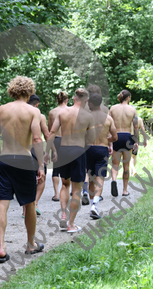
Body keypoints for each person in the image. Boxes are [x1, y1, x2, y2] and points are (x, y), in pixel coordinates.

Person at [0, 76, 45, 263]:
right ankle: (31, 244)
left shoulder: (2, 109)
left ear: (12, 90)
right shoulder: (32, 111)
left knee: (2, 204)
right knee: (29, 203)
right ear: (29, 91)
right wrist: (40, 165)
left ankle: (1, 247)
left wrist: (0, 156)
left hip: (5, 160)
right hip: (24, 160)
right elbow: (37, 139)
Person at [45, 88, 95, 233]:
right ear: (86, 100)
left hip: (63, 151)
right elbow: (91, 140)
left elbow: (52, 132)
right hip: (78, 151)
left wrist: (48, 152)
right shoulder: (88, 116)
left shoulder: (62, 112)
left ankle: (63, 214)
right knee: (77, 190)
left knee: (64, 185)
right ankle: (71, 224)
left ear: (73, 98)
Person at [22, 94, 56, 217]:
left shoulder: (20, 114)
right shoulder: (40, 116)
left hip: (21, 150)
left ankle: (25, 209)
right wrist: (52, 150)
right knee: (41, 178)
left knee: (25, 179)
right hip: (35, 150)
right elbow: (47, 135)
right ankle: (35, 204)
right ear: (37, 104)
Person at [86, 93, 117, 219]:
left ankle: (91, 201)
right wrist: (105, 138)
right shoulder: (108, 118)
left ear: (91, 104)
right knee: (100, 177)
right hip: (102, 149)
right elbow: (115, 137)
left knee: (91, 177)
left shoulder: (85, 117)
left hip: (88, 149)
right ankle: (94, 205)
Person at [82, 84, 110, 204]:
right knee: (99, 174)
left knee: (86, 170)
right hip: (102, 144)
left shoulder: (84, 108)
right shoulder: (104, 109)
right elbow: (109, 128)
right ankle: (96, 197)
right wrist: (111, 145)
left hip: (87, 144)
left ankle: (85, 190)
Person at [109, 89, 139, 197]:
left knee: (115, 164)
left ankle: (113, 180)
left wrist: (109, 141)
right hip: (127, 137)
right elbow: (136, 127)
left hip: (116, 136)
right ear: (128, 98)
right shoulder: (132, 109)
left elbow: (108, 125)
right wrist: (136, 142)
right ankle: (125, 190)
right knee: (126, 165)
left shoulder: (112, 108)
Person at [48, 91, 68, 202]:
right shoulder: (71, 111)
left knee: (56, 168)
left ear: (57, 100)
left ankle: (56, 194)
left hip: (56, 140)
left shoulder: (52, 112)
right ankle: (66, 189)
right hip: (67, 141)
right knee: (68, 166)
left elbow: (50, 130)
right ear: (67, 100)